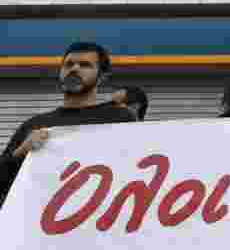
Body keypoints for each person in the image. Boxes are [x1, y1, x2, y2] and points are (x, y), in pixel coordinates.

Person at [0, 42, 137, 209]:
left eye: (85, 65)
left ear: (102, 77)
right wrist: (21, 152)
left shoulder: (119, 118)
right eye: (69, 64)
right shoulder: (34, 125)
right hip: (45, 222)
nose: (74, 69)